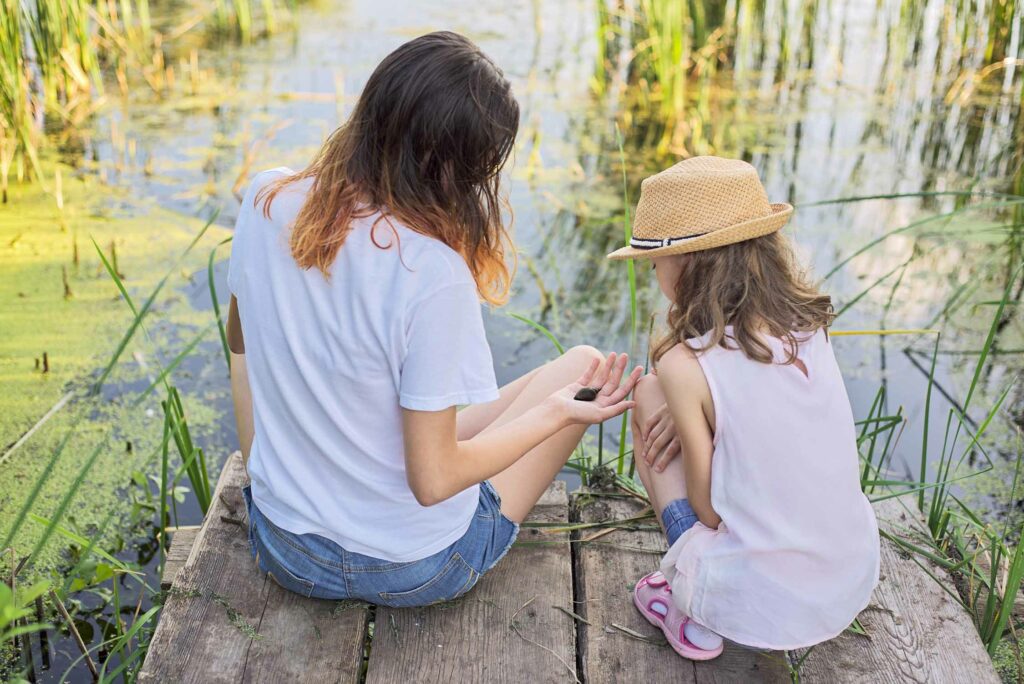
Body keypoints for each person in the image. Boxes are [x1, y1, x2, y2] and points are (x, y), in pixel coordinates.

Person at [226, 31, 641, 606]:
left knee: (575, 373)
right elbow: (435, 481)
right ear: (459, 172)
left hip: (285, 549)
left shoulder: (265, 198)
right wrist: (554, 413)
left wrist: (268, 484)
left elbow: (239, 351)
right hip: (412, 569)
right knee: (586, 369)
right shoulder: (431, 272)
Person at [608, 156, 879, 659]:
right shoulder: (809, 323)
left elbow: (710, 511)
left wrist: (700, 428)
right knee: (662, 397)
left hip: (758, 602)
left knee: (645, 394)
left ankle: (691, 610)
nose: (651, 269)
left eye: (654, 260)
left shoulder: (682, 362)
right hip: (844, 578)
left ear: (686, 261)